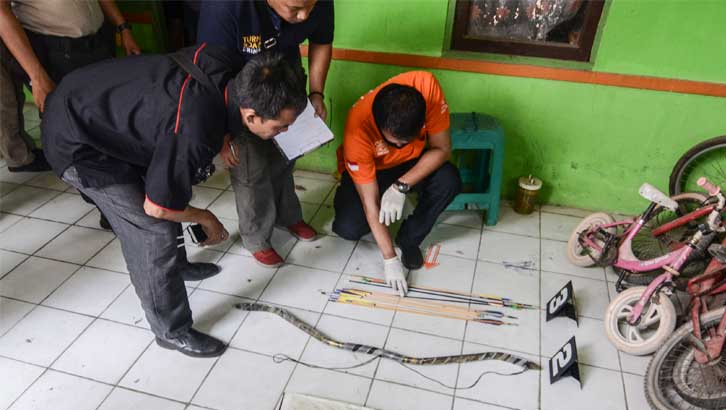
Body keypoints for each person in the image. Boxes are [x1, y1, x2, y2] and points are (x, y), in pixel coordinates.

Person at [41, 46, 308, 357]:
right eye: (280, 127)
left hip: (104, 112)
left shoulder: (232, 72)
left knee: (174, 182)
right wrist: (206, 217)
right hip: (79, 144)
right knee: (153, 232)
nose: (285, 131)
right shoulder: (195, 130)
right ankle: (171, 330)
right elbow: (157, 207)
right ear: (250, 114)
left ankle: (178, 266)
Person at [197, 0, 334, 268]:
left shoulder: (314, 3)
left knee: (287, 158)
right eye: (294, 9)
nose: (304, 15)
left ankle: (288, 215)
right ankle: (256, 237)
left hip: (287, 89)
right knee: (251, 170)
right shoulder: (225, 7)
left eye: (309, 7)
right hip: (241, 99)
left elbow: (322, 41)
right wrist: (223, 133)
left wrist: (316, 92)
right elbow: (211, 72)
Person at [332, 71, 461, 296]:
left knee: (449, 180)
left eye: (407, 140)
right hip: (375, 170)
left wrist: (401, 186)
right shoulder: (358, 129)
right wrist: (390, 259)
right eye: (396, 142)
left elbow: (442, 149)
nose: (400, 145)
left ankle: (409, 238)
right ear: (379, 126)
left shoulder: (427, 87)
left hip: (413, 163)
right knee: (348, 228)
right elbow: (370, 202)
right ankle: (350, 198)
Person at [0, 0, 140, 176]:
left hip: (98, 39)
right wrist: (36, 76)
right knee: (73, 127)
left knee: (109, 113)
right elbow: (2, 13)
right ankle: (98, 185)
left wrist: (123, 27)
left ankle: (121, 171)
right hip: (55, 47)